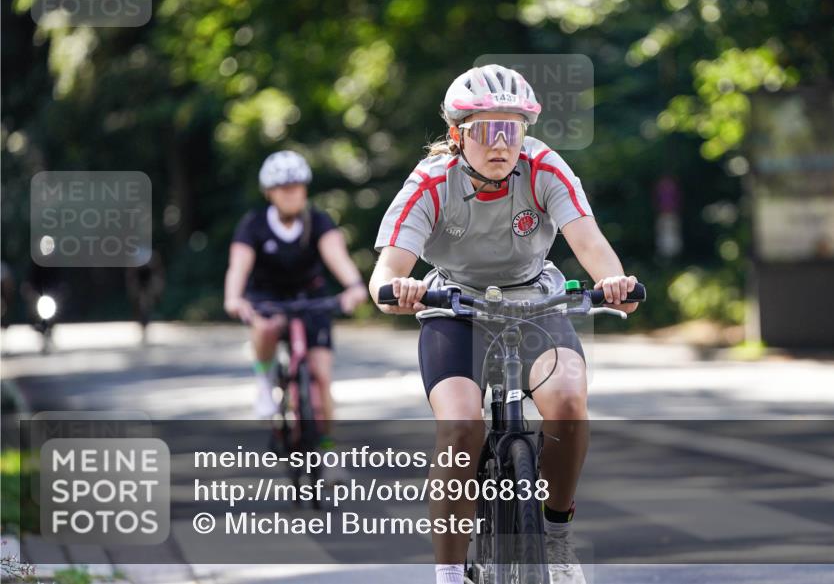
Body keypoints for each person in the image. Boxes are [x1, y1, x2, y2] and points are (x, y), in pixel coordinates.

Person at [370, 64, 640, 584]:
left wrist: (615, 282)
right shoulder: (429, 183)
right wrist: (400, 288)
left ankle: (557, 537)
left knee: (567, 402)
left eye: (512, 130)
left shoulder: (545, 168)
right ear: (457, 135)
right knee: (461, 427)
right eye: (486, 130)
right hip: (457, 307)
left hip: (535, 301)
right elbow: (387, 271)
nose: (501, 145)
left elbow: (588, 241)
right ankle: (449, 573)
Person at [224, 150, 368, 442]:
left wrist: (354, 286)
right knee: (264, 327)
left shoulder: (318, 221)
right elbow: (238, 266)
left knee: (322, 378)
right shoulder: (254, 225)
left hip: (311, 297)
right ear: (269, 192)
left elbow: (337, 256)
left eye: (297, 186)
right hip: (268, 297)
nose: (291, 194)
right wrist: (233, 298)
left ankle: (327, 453)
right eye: (283, 188)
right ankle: (265, 384)